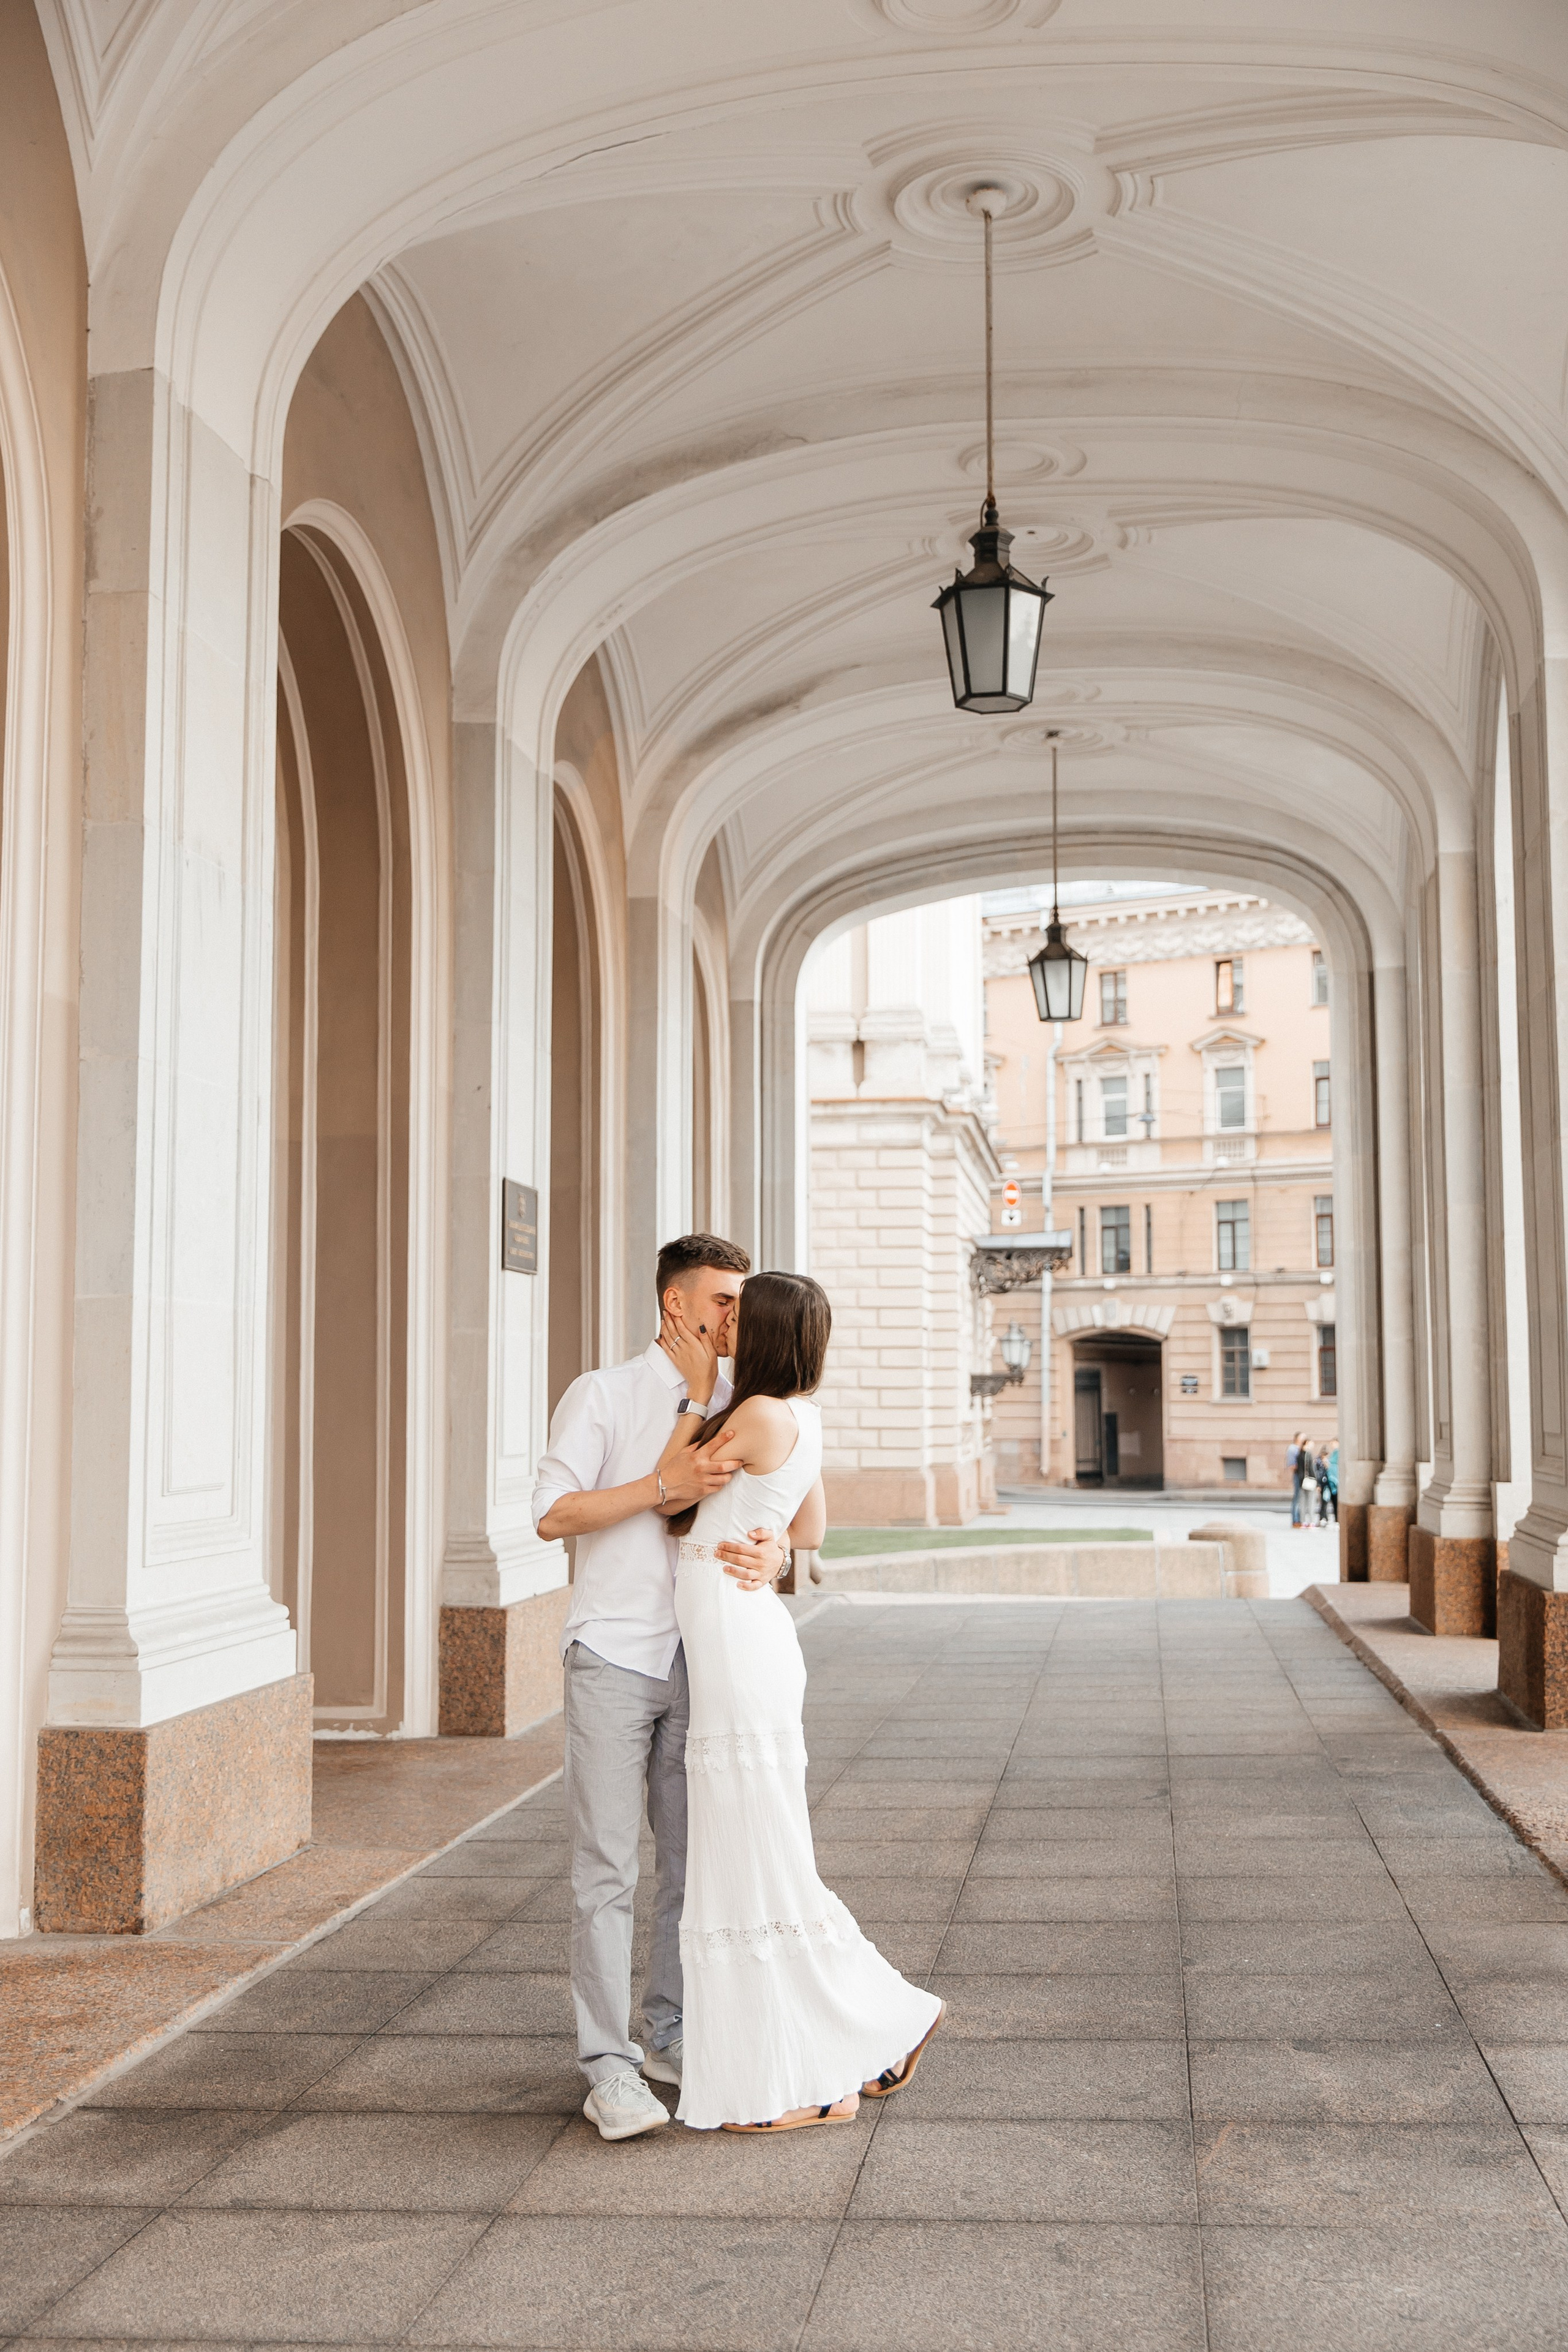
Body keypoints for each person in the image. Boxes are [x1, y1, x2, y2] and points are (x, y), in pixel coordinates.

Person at [655, 1269, 943, 2132]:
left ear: (772, 1329)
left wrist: (695, 1397)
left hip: (741, 1650)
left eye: (738, 1314)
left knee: (753, 1850)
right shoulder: (796, 1417)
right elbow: (811, 1529)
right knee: (758, 1848)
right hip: (747, 1641)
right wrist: (774, 1533)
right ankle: (863, 2032)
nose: (724, 1322)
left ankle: (820, 2072)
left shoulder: (756, 1412)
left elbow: (672, 1488)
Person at [532, 1234, 790, 2143]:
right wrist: (658, 1484)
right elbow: (554, 1515)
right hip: (611, 1655)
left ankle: (671, 2034)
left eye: (743, 1300)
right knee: (607, 1871)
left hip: (705, 1663)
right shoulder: (601, 1393)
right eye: (722, 1300)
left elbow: (780, 1520)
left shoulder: (739, 1404)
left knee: (693, 1864)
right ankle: (609, 2067)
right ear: (675, 1305)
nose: (736, 1316)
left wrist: (777, 1549)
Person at [1287, 1433, 1305, 1526]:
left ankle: (1299, 1519)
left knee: (1300, 1497)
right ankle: (1296, 1520)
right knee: (1297, 1497)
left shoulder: (1301, 1448)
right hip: (1298, 1475)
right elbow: (1292, 1465)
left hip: (1302, 1476)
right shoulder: (1293, 1449)